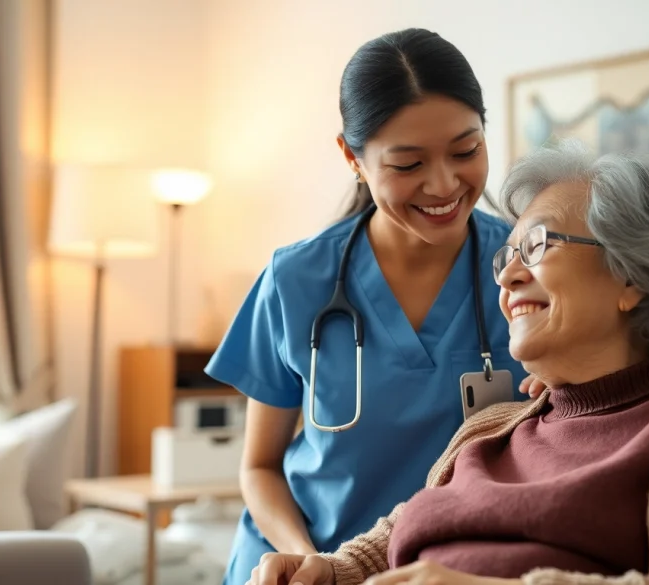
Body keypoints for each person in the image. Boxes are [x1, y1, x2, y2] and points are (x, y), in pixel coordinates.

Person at [247, 140, 649, 585]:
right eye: (507, 255)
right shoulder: (494, 427)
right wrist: (327, 570)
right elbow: (395, 538)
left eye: (538, 246)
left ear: (635, 276)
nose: (508, 276)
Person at [204, 28, 529, 585]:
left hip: (449, 572)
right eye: (408, 164)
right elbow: (259, 466)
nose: (444, 184)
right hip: (299, 564)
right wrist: (311, 561)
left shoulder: (528, 270)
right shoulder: (297, 279)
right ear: (352, 158)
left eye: (466, 151)